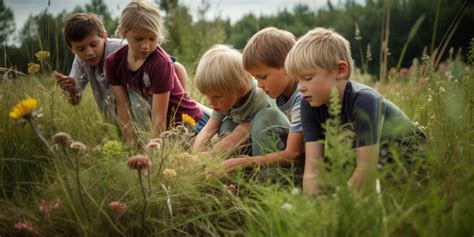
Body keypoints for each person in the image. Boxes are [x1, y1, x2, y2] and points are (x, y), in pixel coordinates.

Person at [285, 27, 426, 195]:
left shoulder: (364, 99)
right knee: (334, 166)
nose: (300, 88)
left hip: (408, 155)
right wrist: (313, 207)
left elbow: (366, 171)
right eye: (298, 80)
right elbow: (313, 169)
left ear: (340, 70)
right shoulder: (308, 105)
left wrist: (339, 204)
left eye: (307, 78)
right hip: (367, 156)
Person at [206, 27, 304, 182]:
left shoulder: (303, 97)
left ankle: (265, 181)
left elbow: (293, 154)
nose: (259, 85)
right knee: (227, 125)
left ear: (288, 66)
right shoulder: (283, 94)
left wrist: (242, 162)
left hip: (305, 166)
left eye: (263, 77)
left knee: (266, 118)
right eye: (256, 78)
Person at [53, 12, 189, 123]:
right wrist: (71, 91)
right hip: (119, 123)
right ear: (71, 49)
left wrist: (182, 99)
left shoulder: (123, 48)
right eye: (81, 48)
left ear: (104, 36)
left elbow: (175, 67)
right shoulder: (80, 62)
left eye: (94, 44)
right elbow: (74, 101)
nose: (89, 52)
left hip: (143, 119)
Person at [106, 0, 205, 143]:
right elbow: (123, 107)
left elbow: (159, 119)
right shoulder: (113, 62)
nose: (146, 46)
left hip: (188, 126)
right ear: (123, 32)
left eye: (152, 38)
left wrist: (152, 156)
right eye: (139, 39)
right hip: (161, 132)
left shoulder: (160, 63)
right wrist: (131, 146)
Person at [193, 44, 289, 158]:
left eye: (216, 96)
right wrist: (196, 156)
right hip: (246, 137)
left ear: (241, 90)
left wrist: (212, 155)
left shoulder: (260, 100)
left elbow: (241, 132)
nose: (210, 102)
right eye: (206, 96)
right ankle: (234, 162)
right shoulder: (225, 99)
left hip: (273, 140)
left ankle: (263, 171)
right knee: (226, 125)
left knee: (245, 127)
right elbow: (208, 129)